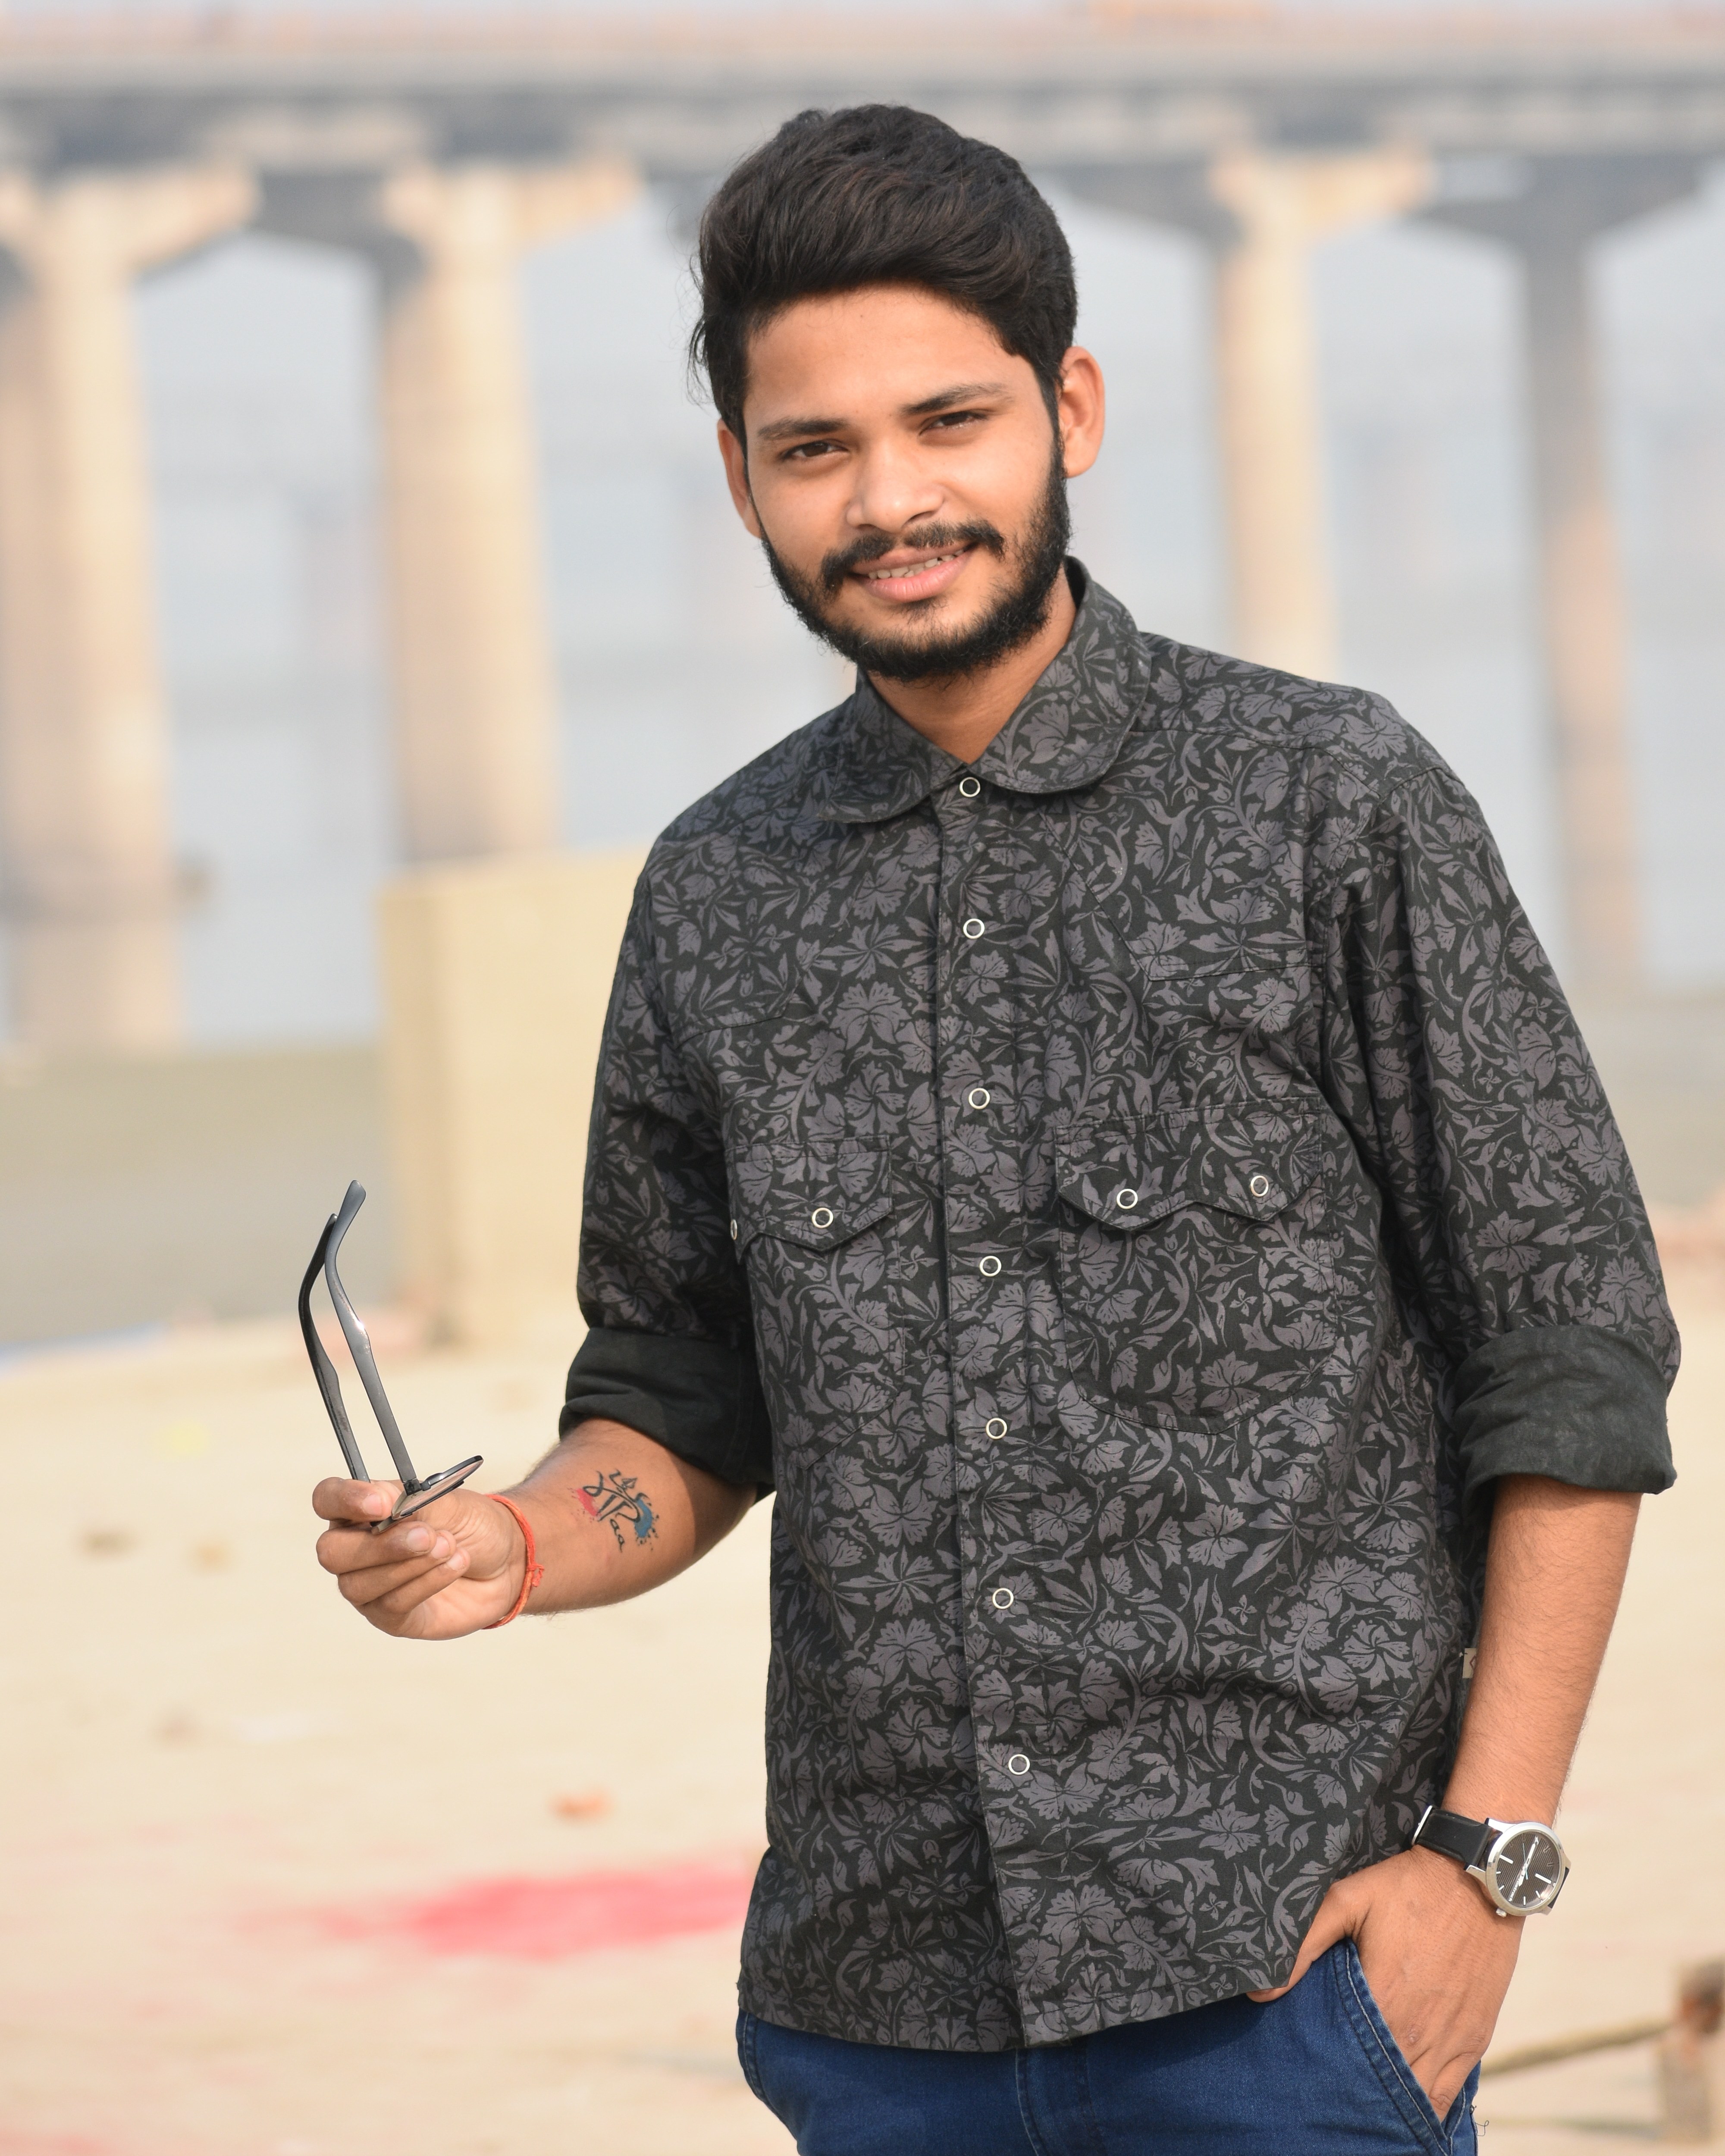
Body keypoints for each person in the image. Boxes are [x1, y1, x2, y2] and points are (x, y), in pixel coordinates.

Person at [313, 105, 1678, 2156]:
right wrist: (512, 1542)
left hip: (1287, 1985)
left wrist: (1486, 1861)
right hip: (882, 2013)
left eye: (947, 421)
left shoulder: (1327, 801)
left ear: (1071, 410)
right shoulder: (716, 891)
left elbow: (1566, 1346)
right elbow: (679, 1404)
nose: (890, 499)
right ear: (740, 479)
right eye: (815, 449)